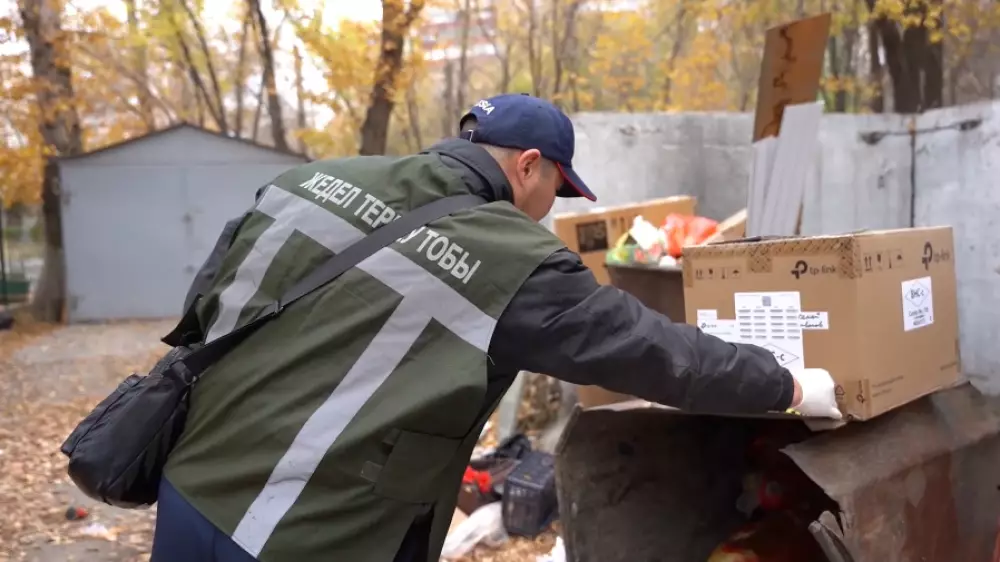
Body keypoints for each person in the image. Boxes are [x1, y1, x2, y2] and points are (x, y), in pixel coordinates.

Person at [151, 93, 840, 562]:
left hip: (191, 486)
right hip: (306, 533)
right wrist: (787, 384)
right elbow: (655, 352)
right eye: (559, 190)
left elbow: (209, 302)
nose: (549, 208)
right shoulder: (509, 255)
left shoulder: (311, 182)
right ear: (528, 166)